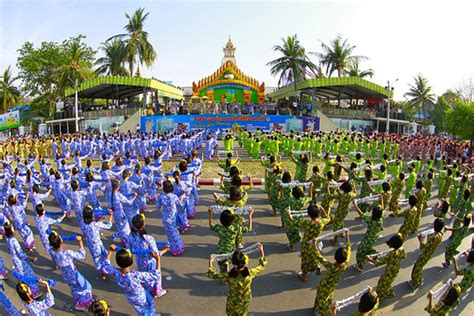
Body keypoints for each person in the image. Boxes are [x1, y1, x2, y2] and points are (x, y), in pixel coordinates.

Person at [207, 244, 267, 316]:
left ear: (233, 263)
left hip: (233, 301)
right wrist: (261, 250)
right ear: (244, 262)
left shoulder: (229, 275)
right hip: (245, 300)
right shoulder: (250, 273)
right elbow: (262, 266)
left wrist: (210, 261)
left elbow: (213, 275)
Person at [102, 245, 160, 315]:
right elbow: (155, 275)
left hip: (131, 297)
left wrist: (110, 251)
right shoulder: (135, 275)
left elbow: (106, 265)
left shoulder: (116, 273)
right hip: (141, 297)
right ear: (131, 261)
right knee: (147, 309)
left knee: (141, 309)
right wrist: (158, 259)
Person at [48, 231, 93, 310]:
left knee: (74, 288)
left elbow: (54, 244)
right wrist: (80, 242)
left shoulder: (51, 251)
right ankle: (85, 303)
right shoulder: (67, 252)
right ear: (61, 241)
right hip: (73, 273)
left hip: (65, 274)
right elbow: (82, 255)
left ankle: (79, 302)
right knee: (87, 287)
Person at [313, 230, 351, 315]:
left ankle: (318, 310)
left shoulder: (331, 267)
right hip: (333, 285)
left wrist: (314, 245)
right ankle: (318, 308)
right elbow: (349, 250)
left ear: (334, 257)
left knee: (321, 299)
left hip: (324, 286)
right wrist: (347, 237)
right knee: (329, 297)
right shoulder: (345, 264)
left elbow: (319, 257)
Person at [289, 204, 330, 281]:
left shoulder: (307, 223)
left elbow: (293, 222)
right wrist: (322, 208)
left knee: (305, 260)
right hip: (317, 242)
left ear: (308, 214)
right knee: (315, 255)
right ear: (318, 213)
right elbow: (328, 217)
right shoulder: (321, 222)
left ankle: (304, 276)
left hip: (307, 244)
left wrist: (288, 216)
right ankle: (316, 266)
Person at [208, 208, 253, 272]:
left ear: (221, 220)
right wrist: (250, 215)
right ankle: (228, 262)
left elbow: (211, 225)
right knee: (230, 257)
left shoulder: (219, 228)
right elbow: (249, 228)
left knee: (221, 262)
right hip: (231, 248)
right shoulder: (236, 228)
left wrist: (210, 214)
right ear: (232, 220)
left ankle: (224, 275)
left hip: (222, 248)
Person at [367, 233, 406, 301]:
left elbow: (379, 263)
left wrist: (369, 260)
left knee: (382, 285)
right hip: (396, 269)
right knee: (385, 283)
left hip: (389, 272)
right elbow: (404, 256)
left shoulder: (391, 254)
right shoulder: (402, 249)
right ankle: (388, 292)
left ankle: (380, 297)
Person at [409, 218, 445, 289]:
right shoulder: (440, 234)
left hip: (426, 254)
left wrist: (420, 240)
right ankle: (418, 280)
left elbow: (424, 247)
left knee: (417, 268)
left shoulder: (434, 237)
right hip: (429, 253)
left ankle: (416, 283)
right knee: (419, 266)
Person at [156, 180, 186, 256]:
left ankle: (175, 248)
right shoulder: (174, 197)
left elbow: (157, 207)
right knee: (175, 234)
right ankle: (178, 249)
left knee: (170, 235)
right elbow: (181, 206)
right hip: (173, 219)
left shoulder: (161, 196)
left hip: (165, 219)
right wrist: (182, 197)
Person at [353, 203, 384, 272]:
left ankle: (360, 266)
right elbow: (383, 209)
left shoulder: (371, 221)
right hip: (374, 238)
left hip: (367, 240)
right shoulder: (381, 219)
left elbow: (362, 214)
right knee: (367, 249)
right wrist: (381, 199)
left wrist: (355, 205)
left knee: (360, 253)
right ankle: (374, 253)